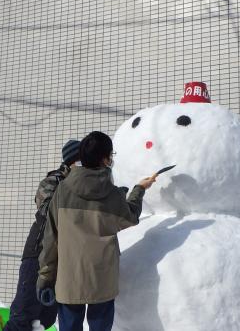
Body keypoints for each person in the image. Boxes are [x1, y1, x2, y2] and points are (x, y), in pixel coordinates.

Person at [36, 131, 156, 331]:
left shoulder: (62, 190)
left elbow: (51, 238)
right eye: (111, 155)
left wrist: (45, 277)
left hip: (69, 279)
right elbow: (130, 216)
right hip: (102, 279)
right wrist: (139, 189)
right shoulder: (112, 193)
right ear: (105, 159)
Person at [2, 140, 81, 331]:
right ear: (73, 161)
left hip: (62, 260)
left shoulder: (83, 184)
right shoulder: (53, 181)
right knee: (24, 314)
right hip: (39, 254)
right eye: (81, 160)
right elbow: (48, 211)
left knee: (45, 318)